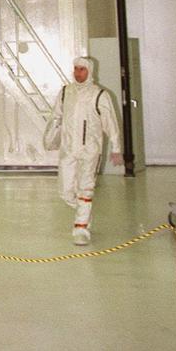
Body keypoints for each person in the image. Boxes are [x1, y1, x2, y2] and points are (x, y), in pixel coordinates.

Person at [49, 55, 122, 245]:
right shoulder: (66, 92)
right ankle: (85, 212)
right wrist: (50, 137)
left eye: (82, 69)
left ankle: (81, 228)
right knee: (65, 192)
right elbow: (56, 117)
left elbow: (110, 123)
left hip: (90, 150)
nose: (78, 73)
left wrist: (116, 148)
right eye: (76, 69)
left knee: (85, 189)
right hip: (68, 150)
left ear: (89, 72)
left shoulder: (99, 95)